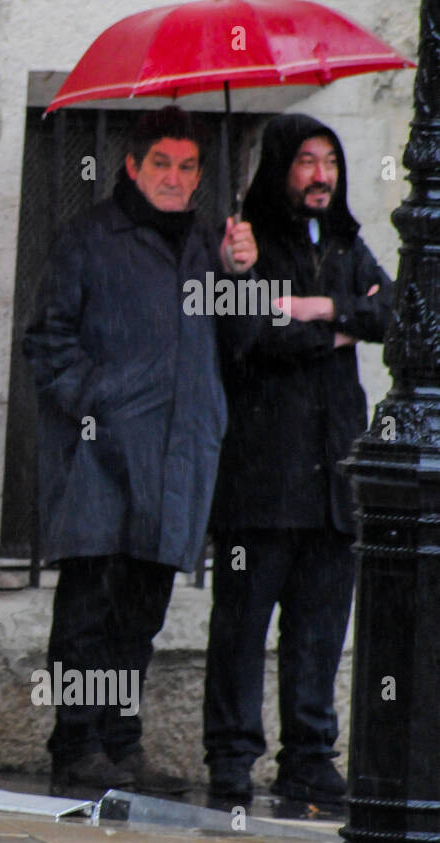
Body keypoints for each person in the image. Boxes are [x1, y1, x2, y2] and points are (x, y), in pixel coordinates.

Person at [23, 106, 256, 796]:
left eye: (188, 167)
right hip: (100, 461)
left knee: (140, 618)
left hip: (178, 463)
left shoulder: (209, 245)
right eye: (162, 164)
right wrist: (100, 402)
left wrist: (242, 275)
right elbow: (46, 340)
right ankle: (76, 744)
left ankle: (121, 746)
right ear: (132, 165)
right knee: (88, 612)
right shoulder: (88, 238)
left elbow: (240, 348)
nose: (175, 179)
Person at [205, 114, 392, 804]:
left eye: (331, 162)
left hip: (334, 477)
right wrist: (338, 330)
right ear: (282, 167)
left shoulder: (346, 240)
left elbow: (395, 314)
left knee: (319, 629)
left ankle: (310, 755)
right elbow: (254, 335)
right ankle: (231, 757)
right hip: (262, 475)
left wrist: (317, 306)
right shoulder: (248, 244)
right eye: (307, 161)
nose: (321, 175)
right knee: (242, 627)